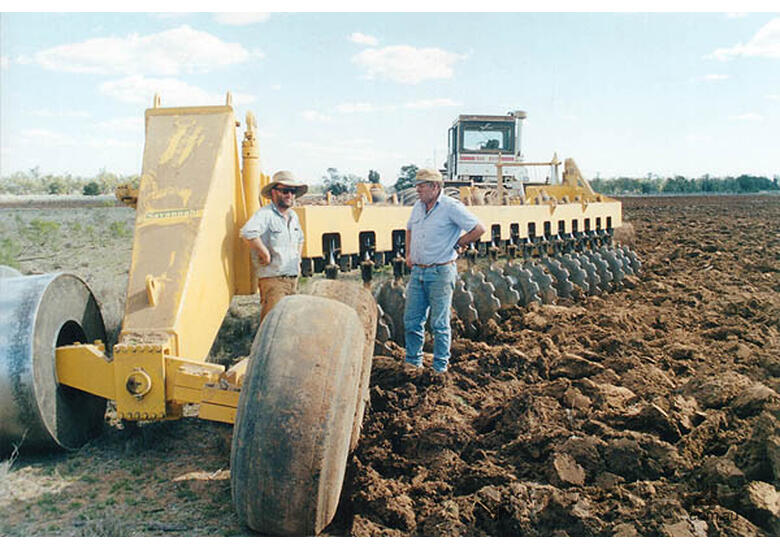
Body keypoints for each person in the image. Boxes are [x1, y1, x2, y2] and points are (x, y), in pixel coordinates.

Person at [403, 168, 486, 373]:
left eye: (422, 185)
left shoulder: (451, 207)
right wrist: (408, 254)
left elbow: (479, 228)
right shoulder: (418, 206)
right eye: (417, 185)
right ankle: (413, 364)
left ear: (435, 187)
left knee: (439, 323)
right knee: (412, 321)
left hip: (440, 272)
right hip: (418, 273)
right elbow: (410, 229)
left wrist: (460, 243)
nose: (418, 189)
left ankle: (440, 369)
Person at [240, 170, 307, 325]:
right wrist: (265, 254)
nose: (289, 195)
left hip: (292, 279)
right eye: (285, 191)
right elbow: (248, 232)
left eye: (292, 191)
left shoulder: (293, 216)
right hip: (274, 280)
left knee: (288, 324)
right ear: (273, 192)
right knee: (273, 324)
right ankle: (262, 349)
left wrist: (297, 260)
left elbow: (301, 239)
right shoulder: (265, 214)